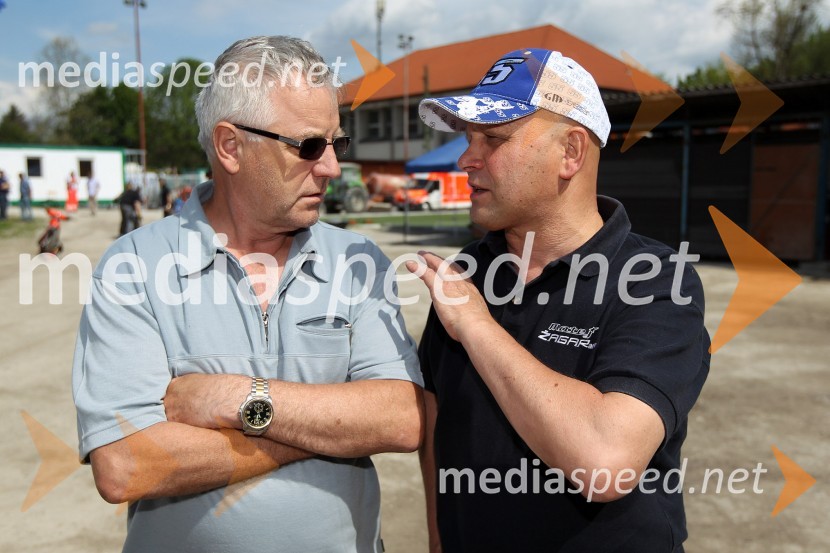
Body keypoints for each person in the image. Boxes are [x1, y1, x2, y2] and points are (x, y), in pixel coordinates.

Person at [72, 35, 423, 553]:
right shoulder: (134, 266)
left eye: (337, 143)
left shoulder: (358, 261)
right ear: (230, 146)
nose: (330, 167)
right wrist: (326, 431)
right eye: (308, 146)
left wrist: (238, 398)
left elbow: (402, 418)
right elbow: (126, 465)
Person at [408, 48, 710, 552]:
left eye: (494, 138)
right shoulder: (468, 271)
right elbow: (439, 426)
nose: (466, 159)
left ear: (571, 152)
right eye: (466, 138)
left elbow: (605, 462)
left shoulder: (656, 281)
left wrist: (478, 327)